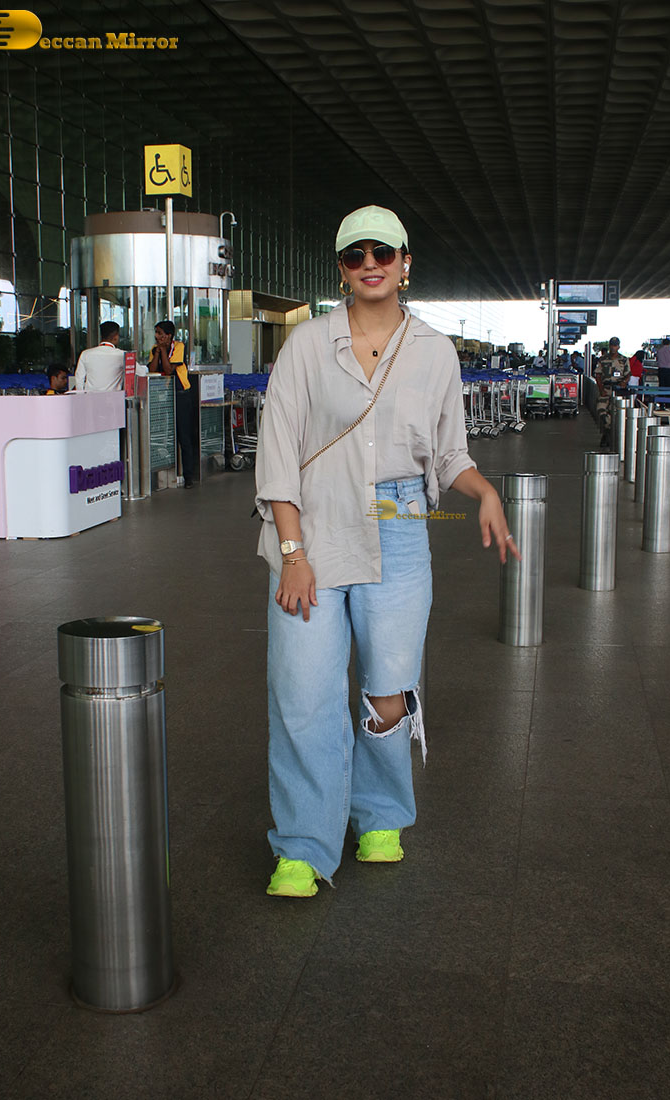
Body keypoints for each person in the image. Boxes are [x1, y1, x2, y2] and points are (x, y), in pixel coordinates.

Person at [254, 204, 520, 899]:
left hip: (398, 521)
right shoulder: (307, 346)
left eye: (383, 252)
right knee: (303, 693)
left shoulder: (435, 351)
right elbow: (278, 454)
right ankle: (303, 845)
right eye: (355, 255)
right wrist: (292, 552)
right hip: (312, 526)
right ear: (341, 270)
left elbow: (450, 453)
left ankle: (378, 812)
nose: (369, 264)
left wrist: (482, 491)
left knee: (388, 691)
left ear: (405, 263)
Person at [149, 320, 197, 488]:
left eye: (160, 333)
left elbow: (169, 369)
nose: (157, 336)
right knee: (166, 435)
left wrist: (163, 351)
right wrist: (158, 352)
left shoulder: (178, 347)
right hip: (163, 396)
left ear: (169, 335)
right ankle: (166, 471)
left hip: (181, 395)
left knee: (184, 435)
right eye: (156, 333)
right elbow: (152, 370)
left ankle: (188, 475)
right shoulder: (154, 349)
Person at [595, 337, 630, 446]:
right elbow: (598, 375)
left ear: (618, 346)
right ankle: (608, 429)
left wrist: (624, 382)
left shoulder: (624, 360)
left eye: (615, 345)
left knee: (615, 412)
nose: (613, 347)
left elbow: (628, 374)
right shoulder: (603, 359)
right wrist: (601, 389)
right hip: (606, 388)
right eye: (612, 345)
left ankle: (608, 435)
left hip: (618, 390)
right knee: (601, 409)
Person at [75, 321, 125, 391]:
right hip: (114, 397)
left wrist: (82, 395)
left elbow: (79, 380)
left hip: (90, 397)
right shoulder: (122, 355)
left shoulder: (85, 354)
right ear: (116, 337)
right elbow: (139, 372)